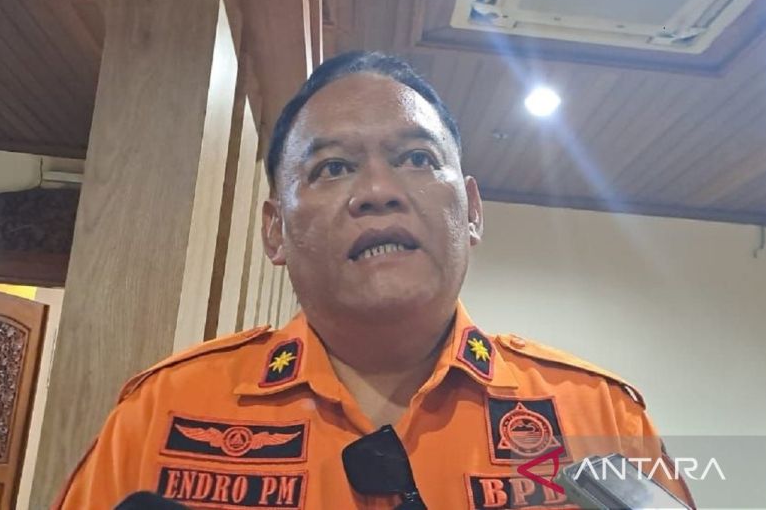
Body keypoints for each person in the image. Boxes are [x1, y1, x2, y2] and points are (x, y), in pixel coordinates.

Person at [54, 51, 693, 509]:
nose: (379, 191)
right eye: (332, 168)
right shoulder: (164, 412)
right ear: (275, 231)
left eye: (416, 158)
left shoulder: (598, 415)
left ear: (471, 210)